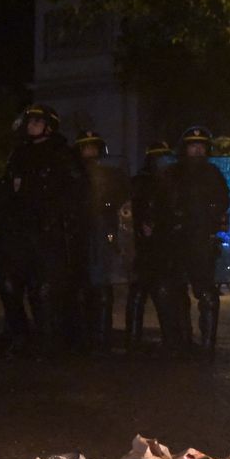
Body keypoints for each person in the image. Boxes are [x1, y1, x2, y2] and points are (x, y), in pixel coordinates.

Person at [0, 104, 84, 358]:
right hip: (19, 229)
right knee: (8, 284)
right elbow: (7, 193)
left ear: (49, 125)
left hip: (48, 232)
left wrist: (58, 216)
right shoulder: (18, 154)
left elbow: (76, 193)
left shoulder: (62, 153)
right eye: (29, 120)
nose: (30, 125)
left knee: (44, 289)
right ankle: (19, 333)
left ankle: (49, 338)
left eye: (36, 121)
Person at [153, 126, 230, 355]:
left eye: (201, 145)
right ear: (184, 148)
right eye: (192, 145)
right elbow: (160, 204)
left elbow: (223, 200)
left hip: (201, 240)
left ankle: (208, 344)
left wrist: (208, 217)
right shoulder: (171, 173)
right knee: (174, 291)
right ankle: (180, 341)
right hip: (175, 240)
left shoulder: (213, 173)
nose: (197, 150)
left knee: (206, 292)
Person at [74, 130, 131, 355]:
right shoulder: (74, 175)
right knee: (83, 287)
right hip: (80, 235)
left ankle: (102, 335)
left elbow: (121, 203)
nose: (89, 151)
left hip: (104, 232)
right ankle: (84, 335)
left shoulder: (110, 174)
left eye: (93, 147)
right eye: (85, 147)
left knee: (102, 286)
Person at [126, 140, 174, 351]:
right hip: (143, 247)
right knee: (138, 293)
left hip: (162, 247)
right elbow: (126, 210)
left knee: (161, 293)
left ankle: (170, 340)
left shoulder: (171, 182)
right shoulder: (140, 182)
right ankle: (133, 339)